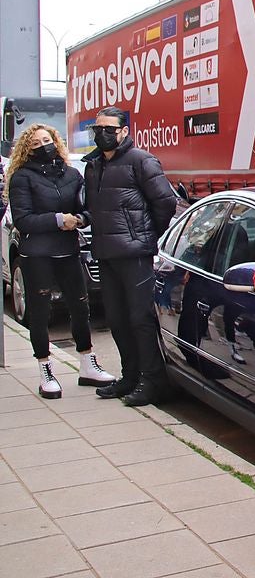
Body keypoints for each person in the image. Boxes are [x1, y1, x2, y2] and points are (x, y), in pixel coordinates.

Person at [4, 124, 115, 398]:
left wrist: (80, 219)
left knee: (80, 307)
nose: (44, 145)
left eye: (48, 139)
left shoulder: (71, 174)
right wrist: (57, 220)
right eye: (37, 142)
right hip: (37, 255)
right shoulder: (22, 177)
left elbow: (87, 207)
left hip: (68, 250)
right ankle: (45, 371)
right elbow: (22, 219)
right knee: (40, 313)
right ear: (27, 149)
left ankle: (87, 364)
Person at [82, 106, 178, 407]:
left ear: (124, 131)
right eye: (98, 129)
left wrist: (145, 237)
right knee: (117, 319)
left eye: (109, 129)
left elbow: (165, 203)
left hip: (134, 254)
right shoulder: (93, 164)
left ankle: (153, 381)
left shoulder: (141, 161)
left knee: (140, 319)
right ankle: (130, 377)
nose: (103, 134)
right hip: (106, 253)